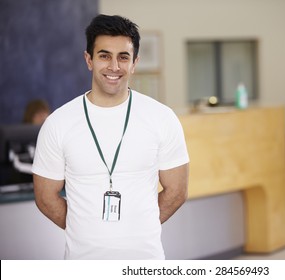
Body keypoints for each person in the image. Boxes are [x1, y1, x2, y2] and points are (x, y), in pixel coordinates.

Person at [32, 14, 190, 260]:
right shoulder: (57, 123)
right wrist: (84, 230)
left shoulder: (162, 118)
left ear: (134, 63)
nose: (114, 66)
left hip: (145, 262)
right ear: (89, 60)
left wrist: (141, 227)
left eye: (123, 57)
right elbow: (44, 196)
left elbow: (177, 190)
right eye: (104, 55)